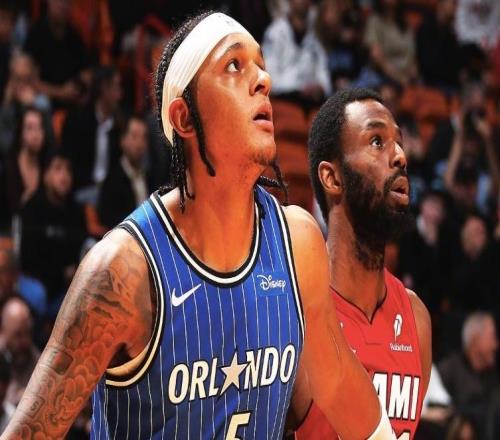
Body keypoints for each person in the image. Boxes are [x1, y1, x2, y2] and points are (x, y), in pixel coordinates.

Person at [1, 12, 393, 440]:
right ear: (184, 118)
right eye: (234, 65)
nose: (263, 80)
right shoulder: (123, 271)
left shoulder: (297, 243)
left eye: (262, 65)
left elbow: (339, 384)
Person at [297, 88, 432, 439]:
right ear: (333, 178)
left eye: (399, 142)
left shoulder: (416, 320)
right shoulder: (296, 312)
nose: (400, 156)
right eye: (377, 141)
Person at [19, 151, 86, 315]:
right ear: (46, 175)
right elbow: (28, 260)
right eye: (58, 169)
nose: (64, 176)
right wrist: (62, 273)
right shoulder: (32, 208)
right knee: (38, 295)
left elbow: (79, 247)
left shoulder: (76, 210)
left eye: (68, 170)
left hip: (66, 284)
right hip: (36, 279)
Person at [439, 312, 500, 440]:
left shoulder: (494, 378)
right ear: (475, 340)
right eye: (492, 337)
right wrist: (459, 423)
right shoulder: (448, 372)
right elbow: (435, 412)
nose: (495, 345)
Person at [97, 114, 153, 230]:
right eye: (134, 136)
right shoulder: (112, 180)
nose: (140, 144)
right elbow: (109, 220)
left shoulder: (151, 176)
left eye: (144, 138)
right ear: (122, 140)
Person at [0, 297, 40, 408]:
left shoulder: (35, 360)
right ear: (3, 330)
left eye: (27, 333)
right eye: (18, 335)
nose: (24, 341)